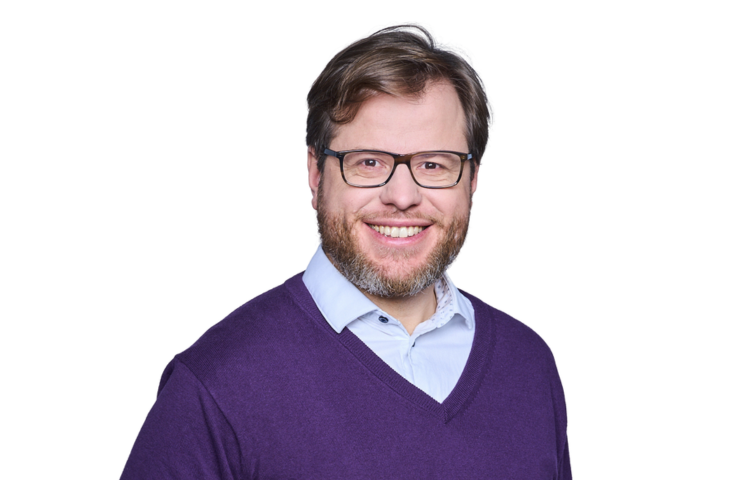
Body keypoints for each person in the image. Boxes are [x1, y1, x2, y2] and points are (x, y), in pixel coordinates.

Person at [121, 25, 571, 479]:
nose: (402, 196)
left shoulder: (528, 367)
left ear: (471, 181)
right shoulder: (218, 387)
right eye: (369, 162)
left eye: (433, 164)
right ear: (316, 174)